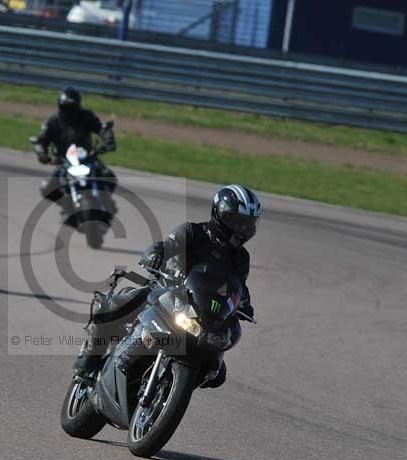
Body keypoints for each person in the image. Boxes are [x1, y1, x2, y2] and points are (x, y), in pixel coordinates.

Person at [72, 185, 263, 388]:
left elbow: (238, 285)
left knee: (217, 372)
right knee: (118, 305)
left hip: (200, 310)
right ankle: (87, 363)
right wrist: (154, 255)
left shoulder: (241, 257)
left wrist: (243, 303)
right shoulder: (193, 231)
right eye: (237, 221)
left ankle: (167, 389)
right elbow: (165, 246)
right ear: (220, 213)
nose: (242, 229)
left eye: (247, 224)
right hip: (166, 291)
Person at [32, 86, 117, 213]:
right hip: (64, 161)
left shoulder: (86, 116)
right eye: (66, 108)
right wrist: (42, 153)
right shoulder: (52, 121)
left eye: (72, 108)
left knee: (109, 177)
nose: (69, 112)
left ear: (78, 106)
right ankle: (67, 206)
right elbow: (40, 140)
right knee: (47, 189)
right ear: (60, 106)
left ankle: (106, 203)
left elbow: (101, 128)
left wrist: (108, 139)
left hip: (88, 157)